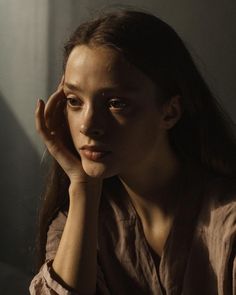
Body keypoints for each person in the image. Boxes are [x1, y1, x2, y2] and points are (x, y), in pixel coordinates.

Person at [29, 9, 236, 295]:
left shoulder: (228, 224)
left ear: (170, 112)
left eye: (116, 103)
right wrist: (83, 187)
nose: (88, 125)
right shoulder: (80, 222)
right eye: (74, 101)